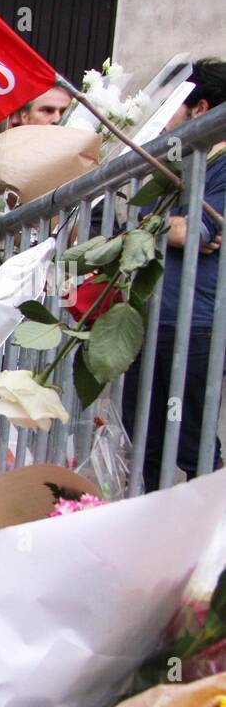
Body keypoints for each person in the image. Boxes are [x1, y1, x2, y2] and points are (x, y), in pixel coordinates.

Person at [122, 58, 226, 490]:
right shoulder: (174, 169)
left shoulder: (219, 169)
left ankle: (213, 545)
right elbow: (172, 230)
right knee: (141, 439)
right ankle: (151, 542)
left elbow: (199, 229)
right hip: (151, 321)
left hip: (193, 326)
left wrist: (151, 228)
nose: (166, 118)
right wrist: (162, 228)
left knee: (192, 444)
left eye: (175, 107)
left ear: (199, 110)